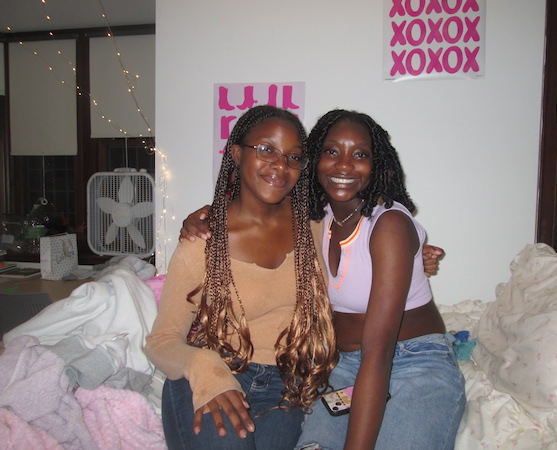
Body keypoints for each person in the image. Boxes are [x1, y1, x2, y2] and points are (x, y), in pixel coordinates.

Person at [144, 105, 338, 450]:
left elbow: (368, 251)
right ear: (236, 153)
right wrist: (202, 366)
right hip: (215, 373)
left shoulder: (315, 231)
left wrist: (415, 256)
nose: (281, 166)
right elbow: (161, 341)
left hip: (286, 388)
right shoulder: (202, 243)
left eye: (294, 157)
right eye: (267, 149)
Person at [295, 109, 466, 450]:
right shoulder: (315, 216)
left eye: (360, 155)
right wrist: (204, 216)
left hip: (415, 362)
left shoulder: (388, 225)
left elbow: (379, 351)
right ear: (314, 159)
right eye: (332, 151)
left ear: (377, 164)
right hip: (345, 364)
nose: (344, 165)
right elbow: (254, 210)